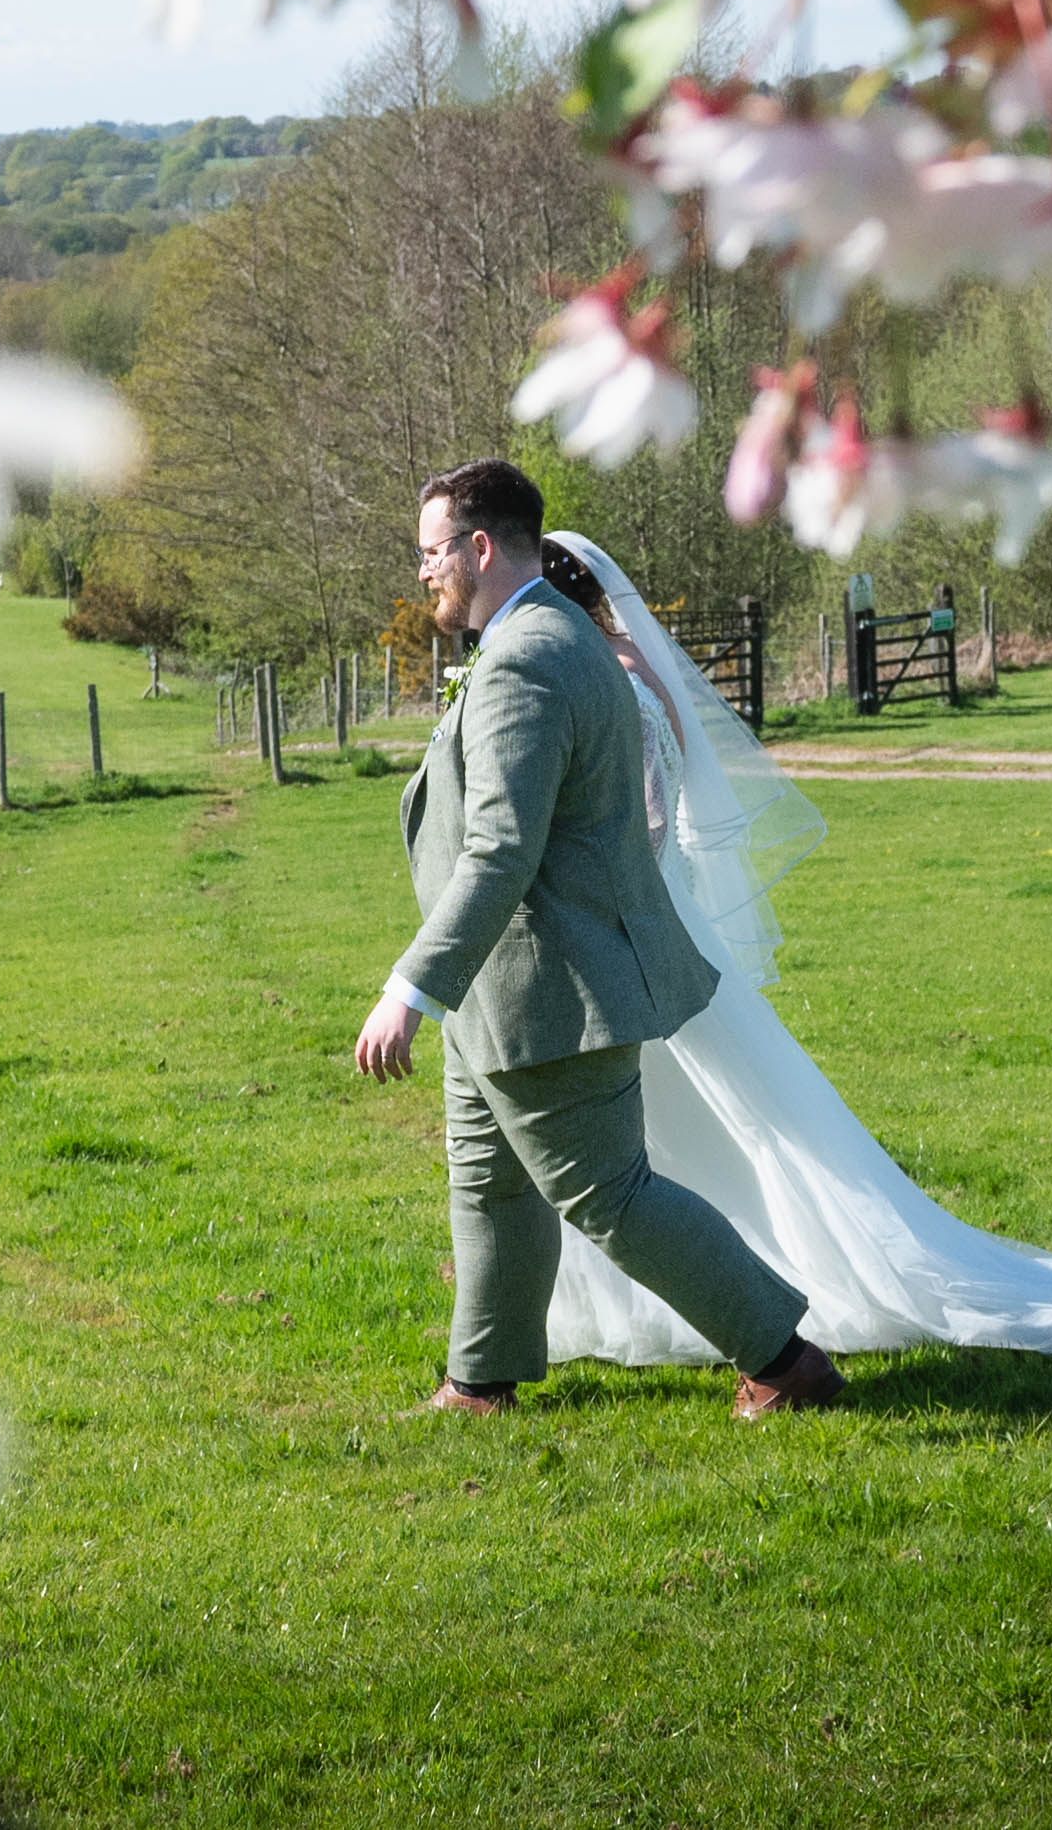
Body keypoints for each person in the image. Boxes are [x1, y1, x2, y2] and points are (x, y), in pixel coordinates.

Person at [529, 525, 1052, 1370]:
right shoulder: (636, 666)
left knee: (704, 1123)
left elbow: (649, 819)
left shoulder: (611, 679)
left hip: (635, 928)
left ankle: (753, 1292)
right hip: (654, 922)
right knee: (674, 1125)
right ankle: (647, 1300)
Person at [355, 460, 846, 1419]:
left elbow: (500, 852)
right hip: (497, 989)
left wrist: (409, 989)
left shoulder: (527, 660)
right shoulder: (551, 636)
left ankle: (787, 1364)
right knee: (490, 1183)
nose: (422, 574)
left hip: (548, 985)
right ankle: (479, 1382)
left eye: (429, 553)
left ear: (480, 546)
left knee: (608, 1196)